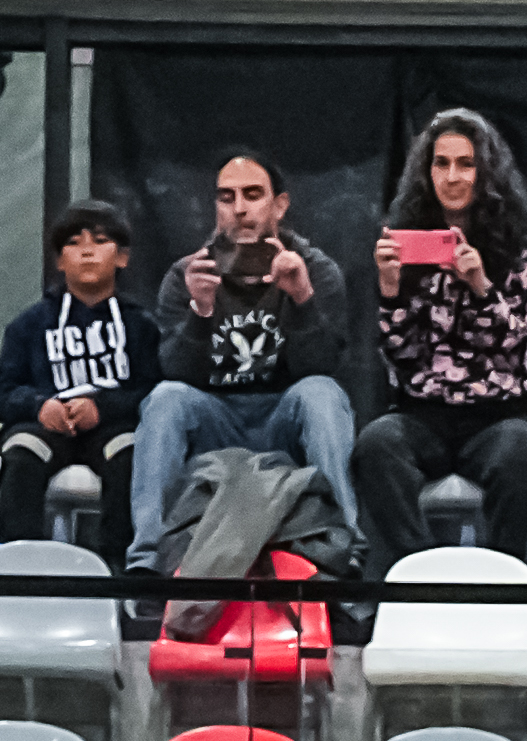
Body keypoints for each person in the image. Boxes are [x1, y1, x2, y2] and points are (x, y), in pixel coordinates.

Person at [128, 156, 364, 565]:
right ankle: (147, 558)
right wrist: (201, 312)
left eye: (253, 195)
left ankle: (346, 550)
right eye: (227, 197)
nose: (239, 208)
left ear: (280, 205)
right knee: (166, 398)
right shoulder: (188, 273)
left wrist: (303, 300)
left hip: (282, 416)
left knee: (321, 393)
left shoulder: (315, 269)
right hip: (216, 418)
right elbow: (177, 372)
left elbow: (322, 365)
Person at [348, 112, 527, 563]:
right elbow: (399, 356)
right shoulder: (407, 242)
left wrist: (481, 287)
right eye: (441, 164)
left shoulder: (517, 250)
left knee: (519, 454)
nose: (453, 177)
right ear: (427, 172)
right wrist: (389, 290)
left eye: (466, 164)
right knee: (376, 446)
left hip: (497, 415)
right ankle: (421, 575)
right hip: (422, 414)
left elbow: (518, 348)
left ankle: (504, 580)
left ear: (485, 172)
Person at [0, 200, 146, 552]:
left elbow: (155, 391)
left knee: (132, 456)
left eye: (99, 241)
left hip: (114, 428)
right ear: (59, 261)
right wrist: (40, 407)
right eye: (73, 243)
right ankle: (20, 571)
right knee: (22, 452)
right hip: (44, 427)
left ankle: (121, 574)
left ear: (122, 257)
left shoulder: (142, 327)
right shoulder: (28, 325)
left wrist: (103, 408)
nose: (86, 252)